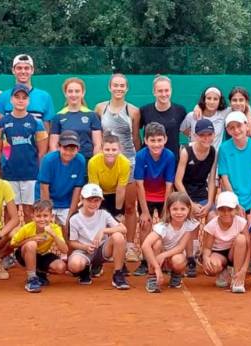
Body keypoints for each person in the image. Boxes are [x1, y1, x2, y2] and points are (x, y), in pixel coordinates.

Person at [94, 73, 142, 263]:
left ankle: (129, 245)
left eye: (122, 86)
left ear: (127, 88)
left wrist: (135, 161)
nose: (119, 88)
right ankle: (105, 245)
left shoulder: (133, 111)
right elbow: (97, 135)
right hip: (105, 160)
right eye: (116, 85)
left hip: (128, 161)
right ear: (109, 87)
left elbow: (136, 137)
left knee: (129, 207)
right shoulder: (100, 108)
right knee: (104, 205)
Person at [0, 83, 48, 222]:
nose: (20, 100)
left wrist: (38, 171)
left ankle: (28, 242)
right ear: (11, 99)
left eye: (24, 97)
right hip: (9, 175)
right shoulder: (2, 123)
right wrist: (3, 167)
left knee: (29, 211)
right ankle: (9, 243)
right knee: (9, 212)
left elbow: (42, 152)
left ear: (28, 101)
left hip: (30, 174)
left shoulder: (37, 123)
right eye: (17, 97)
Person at [132, 122, 176, 276]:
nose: (156, 144)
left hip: (164, 195)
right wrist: (144, 212)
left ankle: (166, 260)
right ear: (146, 141)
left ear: (165, 139)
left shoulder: (169, 156)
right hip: (146, 195)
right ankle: (145, 262)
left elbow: (169, 185)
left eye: (159, 140)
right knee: (145, 225)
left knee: (168, 225)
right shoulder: (140, 156)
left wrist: (166, 210)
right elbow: (139, 185)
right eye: (152, 140)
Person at [174, 118, 217, 277]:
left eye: (209, 134)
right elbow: (177, 181)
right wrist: (190, 204)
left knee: (213, 217)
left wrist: (210, 202)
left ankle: (205, 254)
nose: (206, 138)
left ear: (213, 135)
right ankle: (190, 258)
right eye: (202, 135)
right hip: (184, 193)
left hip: (202, 192)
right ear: (195, 135)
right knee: (192, 221)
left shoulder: (213, 151)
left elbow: (212, 179)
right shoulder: (186, 151)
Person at [66, 184, 130, 289]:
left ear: (101, 201)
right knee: (74, 265)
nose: (93, 204)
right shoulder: (74, 218)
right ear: (81, 199)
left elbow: (123, 229)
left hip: (101, 250)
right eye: (89, 200)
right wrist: (85, 247)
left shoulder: (104, 214)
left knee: (118, 236)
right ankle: (85, 270)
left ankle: (118, 274)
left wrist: (104, 230)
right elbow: (72, 242)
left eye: (96, 200)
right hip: (83, 251)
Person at [141, 192, 199, 293]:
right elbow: (145, 245)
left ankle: (176, 274)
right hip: (158, 256)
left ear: (189, 209)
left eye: (183, 209)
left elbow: (181, 247)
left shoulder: (189, 224)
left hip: (173, 255)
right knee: (157, 243)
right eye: (175, 209)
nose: (179, 213)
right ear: (168, 210)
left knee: (179, 260)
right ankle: (152, 276)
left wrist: (164, 255)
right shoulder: (163, 226)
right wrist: (157, 267)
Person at [10, 200, 68, 293]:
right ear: (33, 217)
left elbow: (65, 250)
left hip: (42, 255)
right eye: (38, 216)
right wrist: (31, 239)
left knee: (61, 267)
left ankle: (40, 273)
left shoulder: (55, 228)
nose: (42, 219)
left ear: (51, 217)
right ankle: (31, 278)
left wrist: (54, 235)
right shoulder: (27, 228)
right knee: (31, 244)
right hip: (24, 254)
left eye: (45, 216)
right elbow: (13, 244)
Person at [218, 111, 251, 221]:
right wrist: (235, 203)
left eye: (239, 126)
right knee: (239, 236)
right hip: (232, 203)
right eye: (231, 128)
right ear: (227, 130)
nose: (236, 130)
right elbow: (224, 178)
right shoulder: (224, 148)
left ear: (247, 125)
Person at [201, 191, 251, 293]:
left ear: (236, 209)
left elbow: (249, 247)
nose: (226, 213)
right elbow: (207, 248)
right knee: (212, 266)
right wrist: (206, 258)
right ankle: (224, 270)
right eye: (222, 210)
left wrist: (244, 269)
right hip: (219, 253)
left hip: (235, 252)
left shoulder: (241, 222)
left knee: (241, 239)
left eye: (230, 209)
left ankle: (237, 278)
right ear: (217, 210)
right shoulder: (212, 225)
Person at [0, 54, 56, 132]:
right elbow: (0, 131)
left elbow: (46, 131)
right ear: (13, 70)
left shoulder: (45, 97)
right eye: (19, 68)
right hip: (9, 144)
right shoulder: (2, 97)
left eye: (26, 68)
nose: (23, 71)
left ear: (32, 70)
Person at [38, 130, 86, 228]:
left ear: (78, 149)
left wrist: (71, 215)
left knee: (70, 228)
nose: (68, 152)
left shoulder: (80, 161)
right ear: (59, 147)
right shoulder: (48, 160)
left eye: (72, 149)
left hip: (66, 202)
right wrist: (47, 212)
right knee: (45, 229)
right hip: (47, 199)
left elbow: (77, 189)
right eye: (65, 148)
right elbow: (44, 188)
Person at [50, 77, 102, 161]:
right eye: (70, 91)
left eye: (77, 91)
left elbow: (97, 144)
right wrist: (60, 163)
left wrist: (93, 164)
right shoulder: (58, 117)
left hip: (87, 162)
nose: (73, 94)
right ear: (65, 93)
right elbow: (53, 146)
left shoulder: (92, 115)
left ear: (83, 93)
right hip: (66, 162)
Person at [137, 75, 187, 161]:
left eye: (166, 90)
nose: (164, 94)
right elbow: (134, 132)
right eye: (160, 91)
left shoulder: (180, 111)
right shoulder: (144, 110)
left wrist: (199, 107)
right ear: (154, 92)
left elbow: (190, 131)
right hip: (149, 162)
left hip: (172, 162)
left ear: (171, 90)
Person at [87, 133, 130, 222]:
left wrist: (118, 212)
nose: (110, 153)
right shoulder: (93, 162)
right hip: (100, 193)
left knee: (117, 222)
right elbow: (95, 188)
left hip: (116, 193)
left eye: (114, 150)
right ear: (101, 149)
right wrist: (98, 208)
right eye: (107, 149)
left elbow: (121, 189)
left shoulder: (125, 163)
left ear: (119, 150)